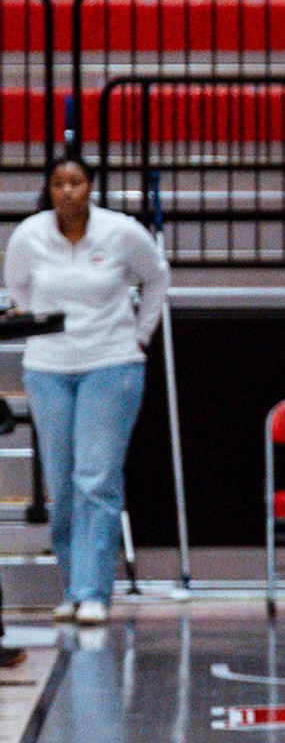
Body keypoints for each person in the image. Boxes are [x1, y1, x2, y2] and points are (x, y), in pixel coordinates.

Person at [4, 156, 168, 627]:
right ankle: (72, 588)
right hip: (48, 368)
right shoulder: (30, 235)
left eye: (75, 181)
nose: (67, 191)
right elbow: (17, 290)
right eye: (58, 183)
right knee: (62, 483)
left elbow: (157, 276)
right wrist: (43, 328)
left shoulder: (121, 231)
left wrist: (140, 335)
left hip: (111, 364)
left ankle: (93, 592)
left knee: (96, 479)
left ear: (90, 187)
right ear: (49, 189)